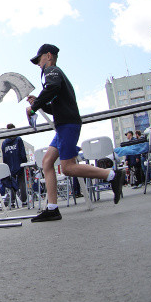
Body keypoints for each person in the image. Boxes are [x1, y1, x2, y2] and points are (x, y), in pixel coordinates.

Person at [26, 44, 124, 222]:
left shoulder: (52, 71)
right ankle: (53, 208)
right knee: (47, 162)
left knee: (68, 167)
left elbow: (52, 88)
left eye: (39, 59)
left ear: (48, 56)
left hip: (68, 125)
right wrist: (39, 103)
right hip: (64, 123)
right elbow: (54, 104)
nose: (38, 64)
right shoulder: (54, 76)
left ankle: (112, 175)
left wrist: (34, 106)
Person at [0, 123, 28, 207]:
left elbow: (4, 155)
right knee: (21, 182)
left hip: (9, 166)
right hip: (19, 164)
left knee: (11, 183)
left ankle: (12, 201)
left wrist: (5, 166)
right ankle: (24, 201)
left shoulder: (4, 142)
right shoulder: (18, 139)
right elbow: (22, 152)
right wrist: (25, 161)